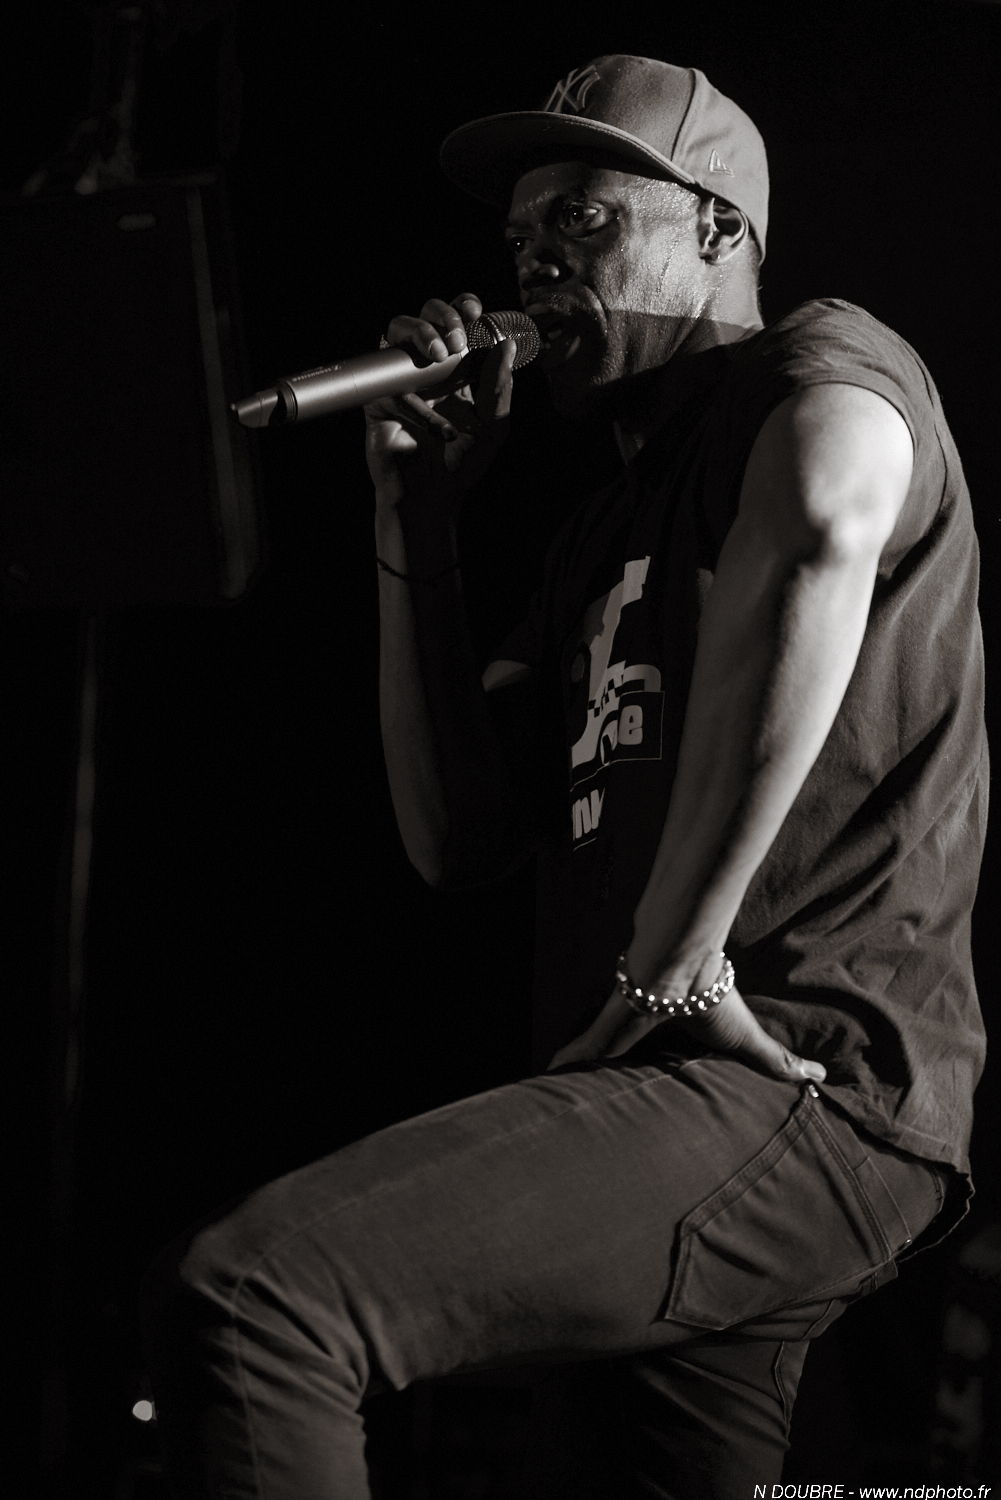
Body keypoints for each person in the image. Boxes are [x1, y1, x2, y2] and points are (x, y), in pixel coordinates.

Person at [141, 56, 987, 1498]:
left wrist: (680, 949)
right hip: (662, 1095)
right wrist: (413, 517)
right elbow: (454, 837)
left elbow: (826, 520)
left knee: (260, 1299)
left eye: (583, 220)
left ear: (718, 229)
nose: (534, 260)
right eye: (521, 235)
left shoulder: (818, 365)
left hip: (792, 1071)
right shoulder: (598, 533)